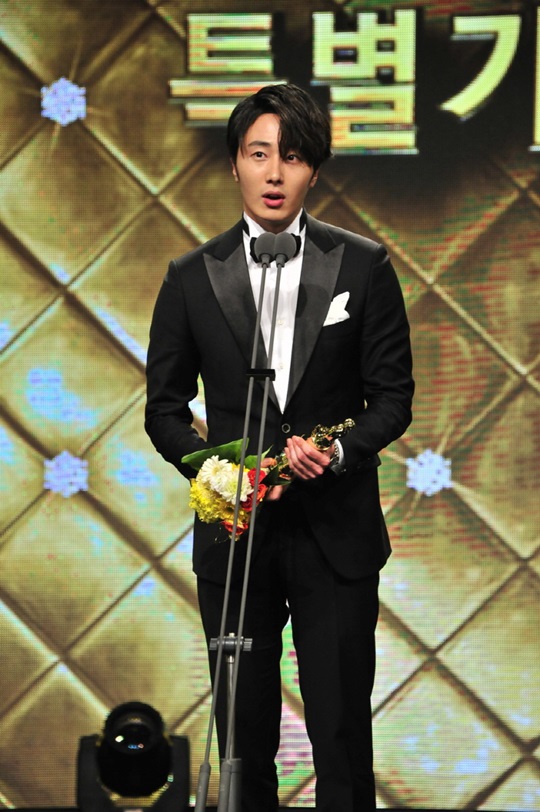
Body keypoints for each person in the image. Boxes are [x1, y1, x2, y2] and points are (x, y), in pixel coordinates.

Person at [145, 83, 414, 812]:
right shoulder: (190, 277)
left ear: (313, 170)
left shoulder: (363, 266)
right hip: (238, 539)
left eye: (291, 157)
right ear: (234, 162)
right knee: (243, 740)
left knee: (341, 734)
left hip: (336, 532)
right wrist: (214, 469)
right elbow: (164, 409)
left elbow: (393, 397)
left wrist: (341, 451)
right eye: (258, 154)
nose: (273, 173)